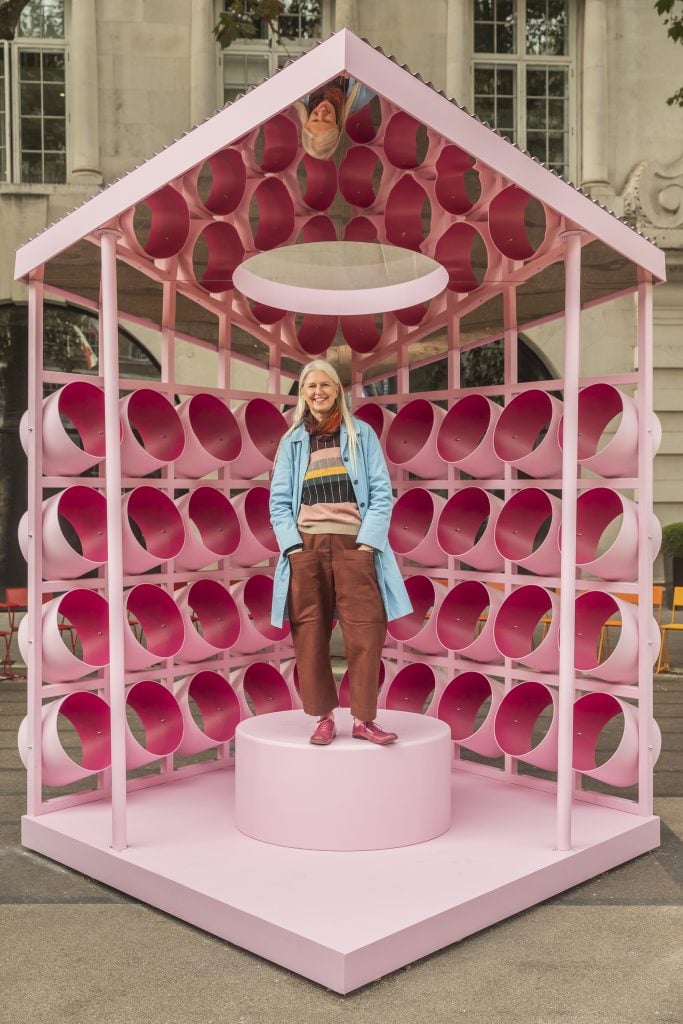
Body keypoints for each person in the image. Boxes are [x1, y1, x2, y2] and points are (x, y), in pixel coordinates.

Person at [269, 359, 412, 745]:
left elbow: (382, 494)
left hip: (354, 545)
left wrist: (367, 544)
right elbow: (279, 502)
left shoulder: (360, 434)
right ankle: (323, 718)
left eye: (325, 385)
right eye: (310, 386)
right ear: (302, 394)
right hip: (308, 548)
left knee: (366, 630)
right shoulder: (292, 441)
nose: (318, 392)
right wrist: (294, 549)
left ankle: (364, 720)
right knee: (310, 633)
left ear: (337, 390)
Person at [294, 76, 374, 160]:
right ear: (337, 126)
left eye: (315, 120)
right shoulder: (359, 98)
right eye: (327, 121)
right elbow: (381, 71)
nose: (322, 111)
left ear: (307, 120)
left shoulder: (298, 96)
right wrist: (355, 71)